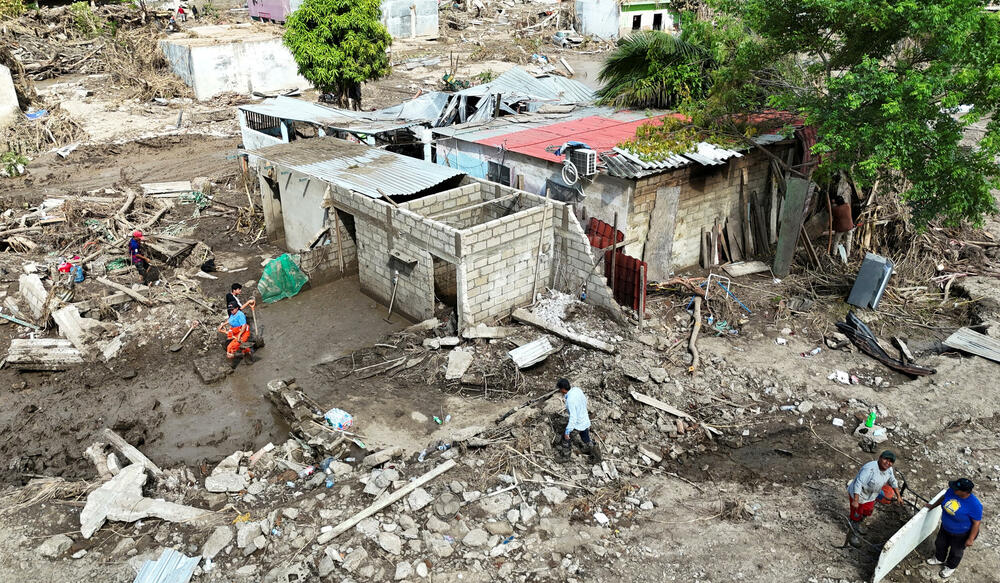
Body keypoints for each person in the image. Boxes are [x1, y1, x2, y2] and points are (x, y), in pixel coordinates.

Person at [925, 478, 983, 578]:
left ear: (965, 492)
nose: (953, 489)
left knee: (956, 551)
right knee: (940, 543)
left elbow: (976, 523)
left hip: (961, 533)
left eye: (957, 488)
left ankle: (950, 566)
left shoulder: (974, 505)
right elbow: (943, 498)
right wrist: (932, 506)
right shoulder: (952, 491)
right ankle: (939, 558)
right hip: (945, 527)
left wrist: (970, 539)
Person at [847, 451, 902, 533]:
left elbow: (893, 481)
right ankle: (852, 531)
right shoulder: (869, 469)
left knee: (868, 511)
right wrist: (855, 500)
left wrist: (898, 496)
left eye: (891, 461)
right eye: (885, 459)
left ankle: (859, 523)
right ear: (880, 458)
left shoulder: (889, 470)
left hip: (871, 496)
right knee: (856, 514)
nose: (887, 463)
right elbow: (858, 483)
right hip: (860, 495)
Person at [557, 378, 600, 462]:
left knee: (565, 439)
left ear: (563, 389)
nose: (559, 391)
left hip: (578, 423)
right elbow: (585, 401)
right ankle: (596, 455)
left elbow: (573, 417)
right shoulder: (577, 390)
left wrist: (567, 431)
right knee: (586, 438)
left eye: (560, 389)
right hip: (585, 419)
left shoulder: (570, 400)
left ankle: (565, 457)